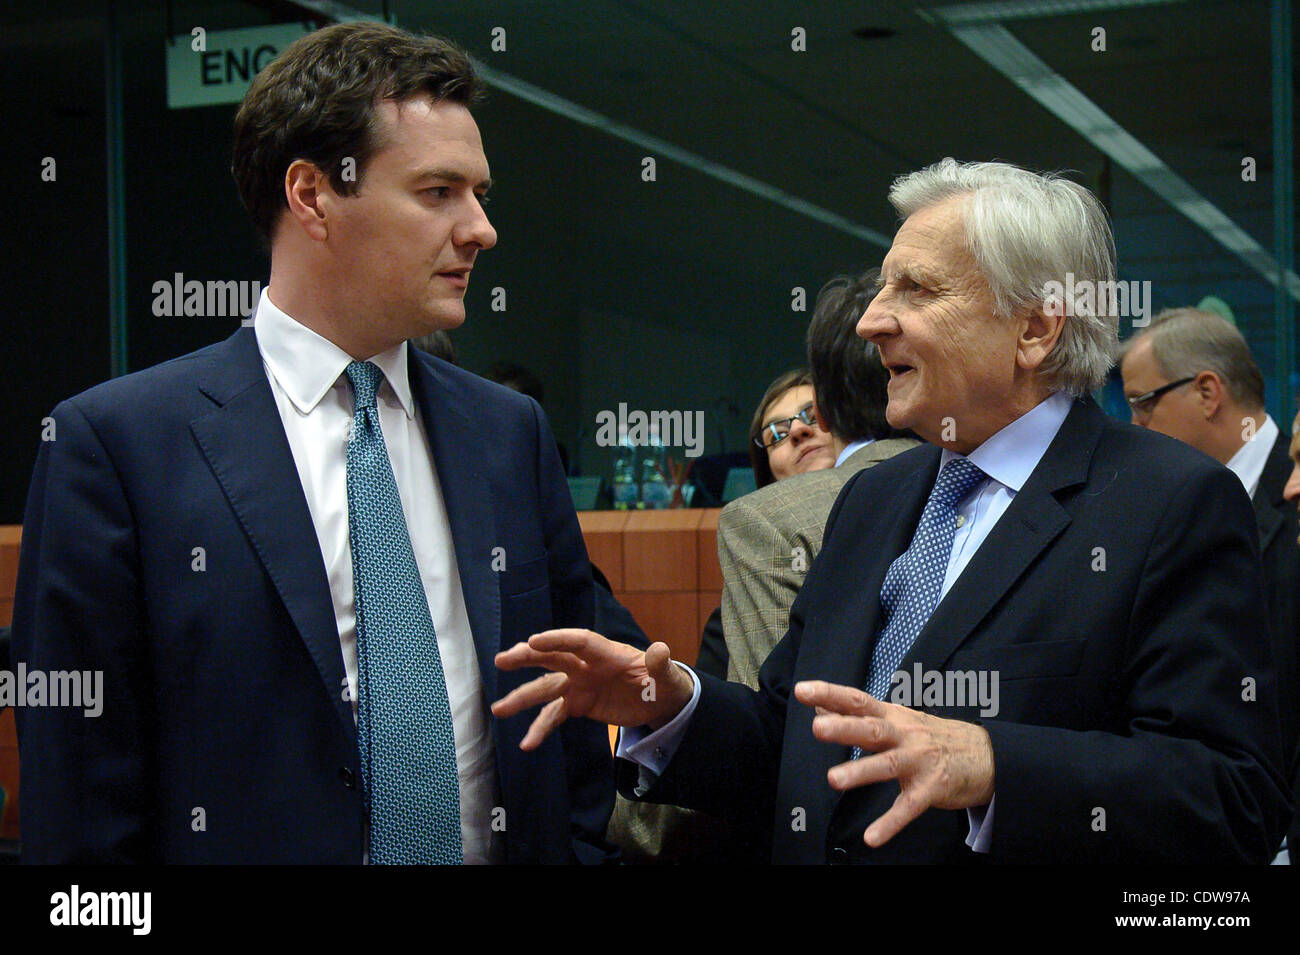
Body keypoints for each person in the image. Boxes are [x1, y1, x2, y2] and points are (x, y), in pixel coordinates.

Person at [494, 158, 1292, 863]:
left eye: (916, 289)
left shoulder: (1170, 503)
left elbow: (1234, 797)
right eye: (883, 286)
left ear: (1036, 329)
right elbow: (792, 739)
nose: (873, 319)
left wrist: (990, 764)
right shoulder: (874, 500)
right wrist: (673, 707)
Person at [12, 22, 615, 864]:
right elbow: (78, 801)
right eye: (439, 191)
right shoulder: (117, 448)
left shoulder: (508, 436)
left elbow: (572, 731)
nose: (481, 229)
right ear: (312, 196)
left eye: (479, 193)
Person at [1120, 308, 1300, 860]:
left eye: (1144, 403)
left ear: (1206, 392)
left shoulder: (1290, 496)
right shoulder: (1170, 511)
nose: (1135, 425)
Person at [719, 272, 919, 688]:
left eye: (809, 416)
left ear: (827, 416)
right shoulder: (761, 537)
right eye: (775, 433)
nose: (797, 432)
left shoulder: (964, 474)